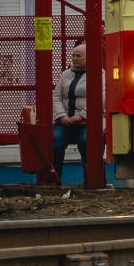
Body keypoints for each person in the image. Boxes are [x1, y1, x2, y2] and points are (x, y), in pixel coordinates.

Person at [52, 42, 89, 182]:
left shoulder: (100, 74)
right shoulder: (65, 74)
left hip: (87, 122)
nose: (74, 59)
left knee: (86, 142)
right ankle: (55, 180)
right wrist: (62, 116)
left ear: (87, 57)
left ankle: (91, 181)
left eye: (79, 56)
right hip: (65, 121)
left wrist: (81, 115)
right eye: (73, 56)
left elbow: (101, 98)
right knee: (56, 141)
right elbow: (57, 97)